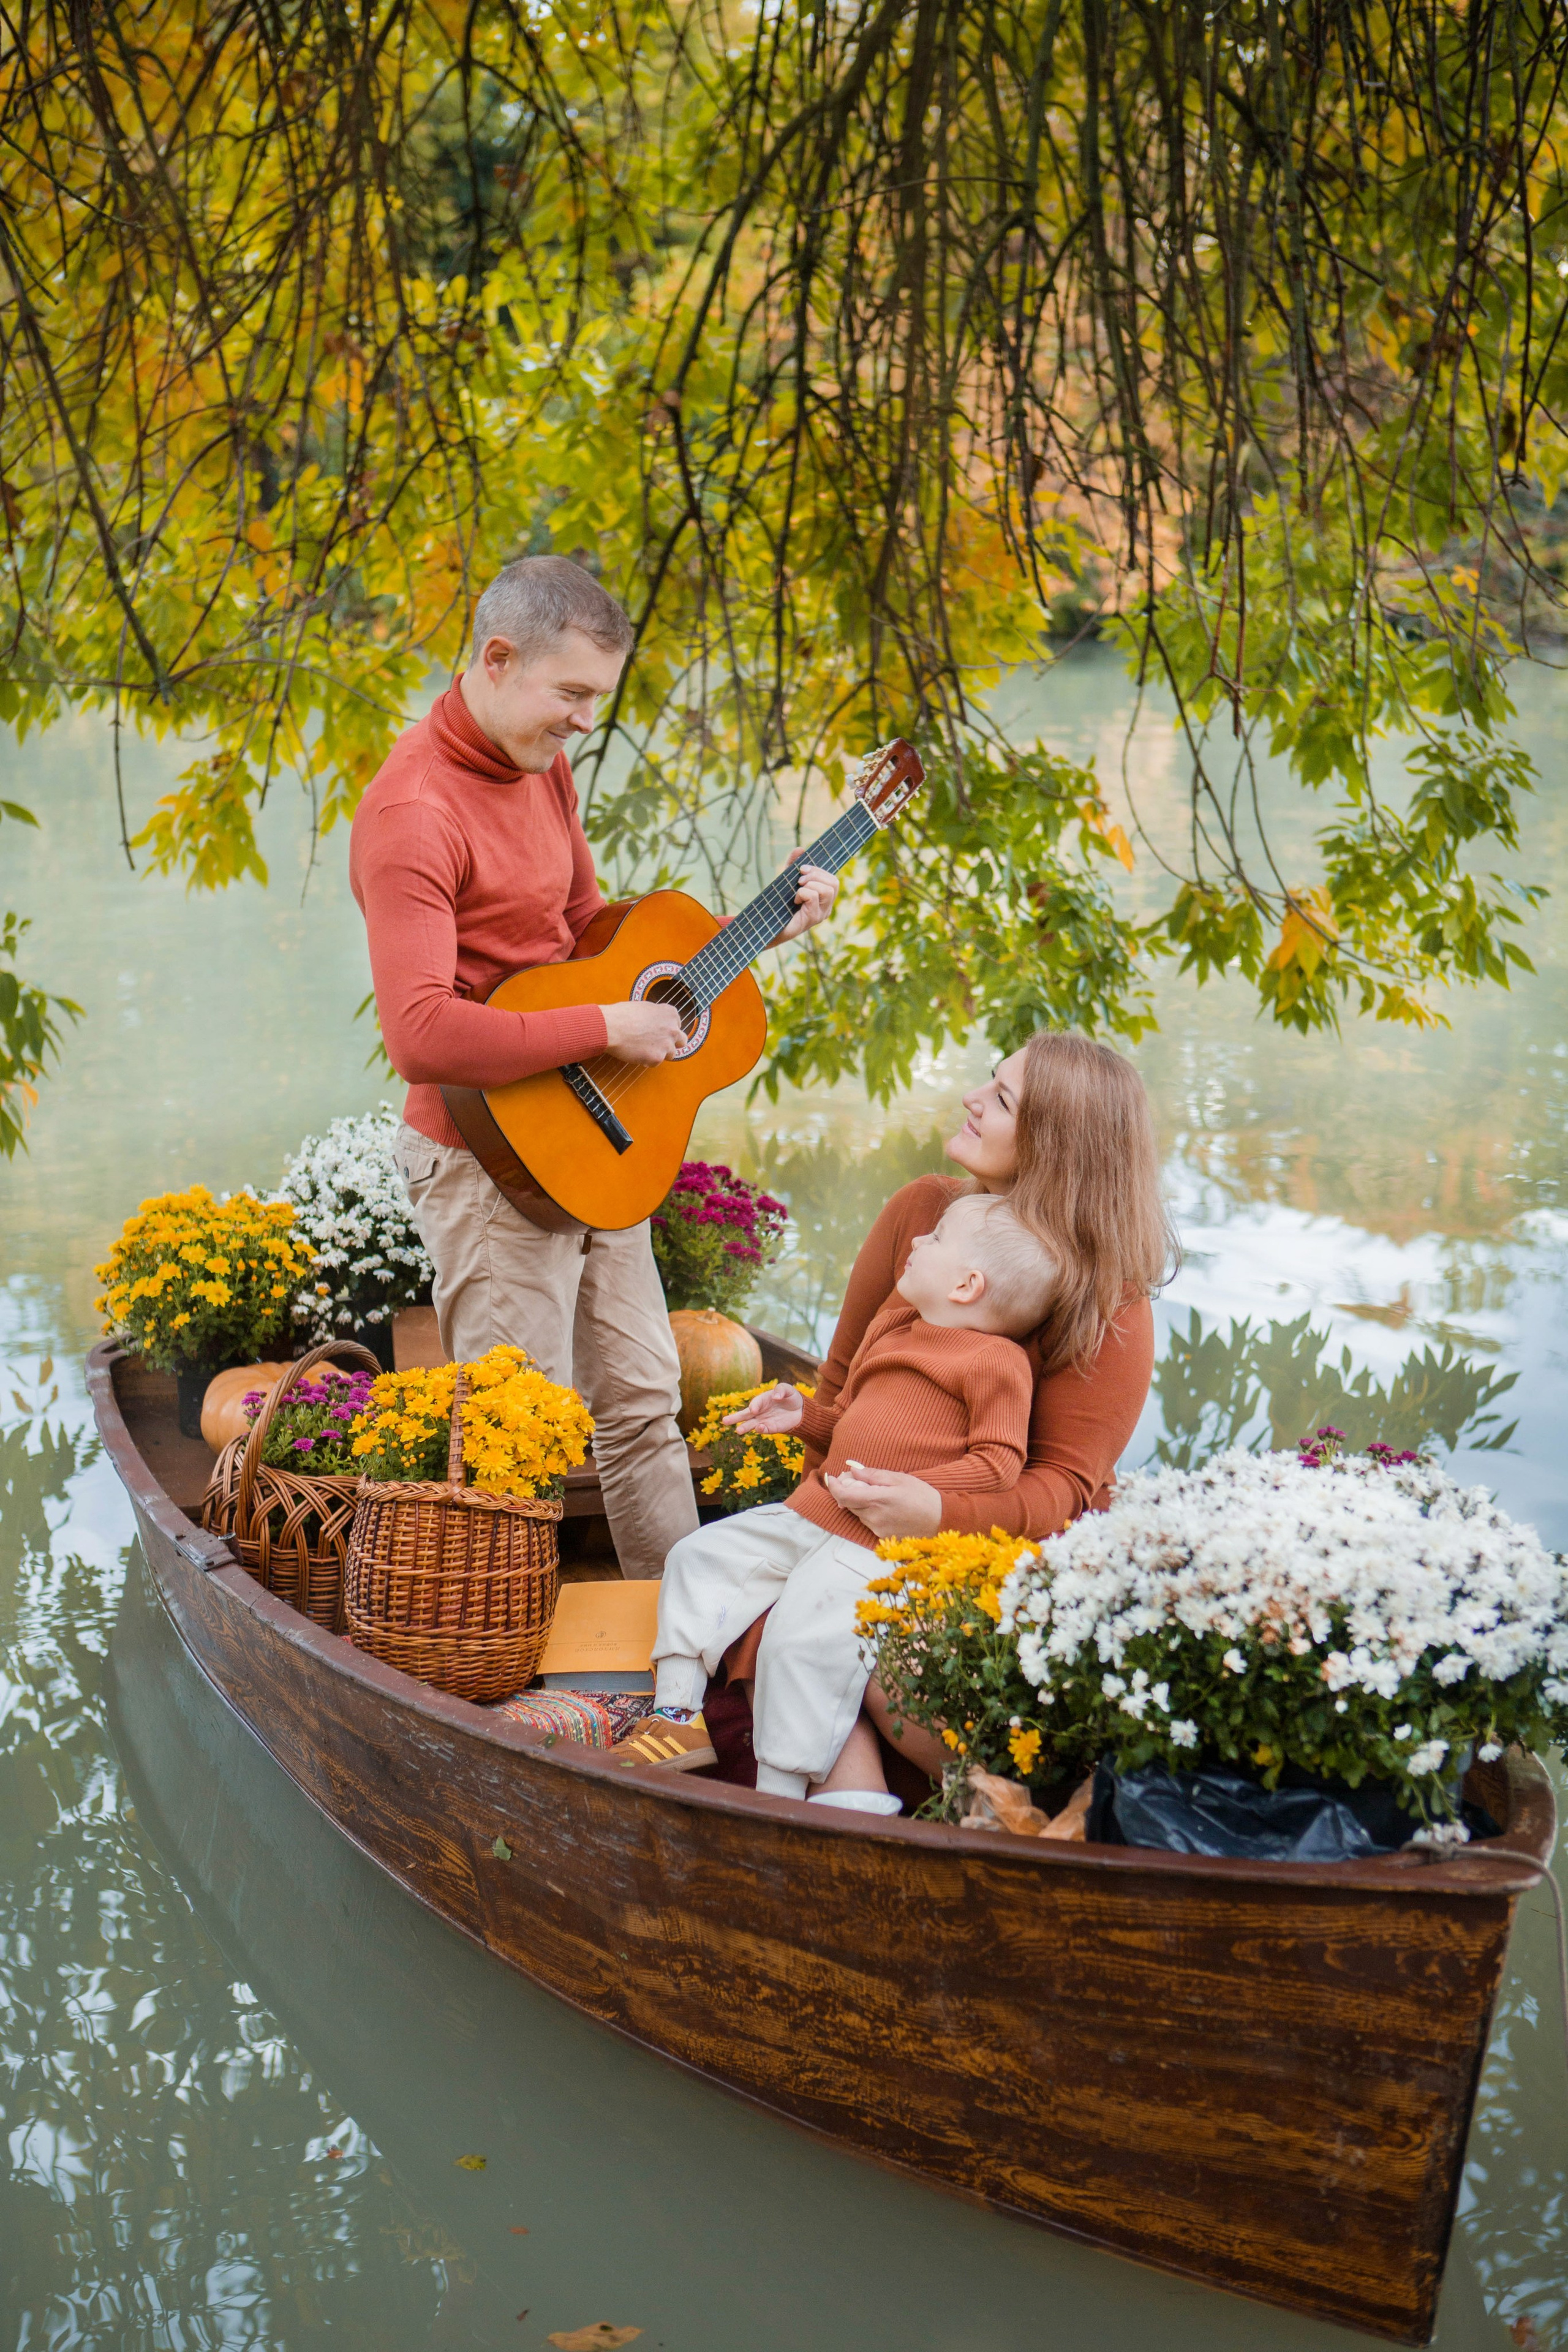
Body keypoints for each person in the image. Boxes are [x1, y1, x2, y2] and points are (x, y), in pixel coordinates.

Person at [349, 556, 837, 1579]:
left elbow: (583, 935)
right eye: (570, 694)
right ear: (495, 658)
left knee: (644, 1403)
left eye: (597, 700)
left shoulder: (541, 765)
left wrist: (747, 938)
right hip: (486, 1162)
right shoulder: (412, 815)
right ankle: (500, 1683)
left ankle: (689, 1642)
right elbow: (423, 1036)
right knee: (515, 1441)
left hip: (594, 1136)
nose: (584, 722)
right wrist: (610, 1027)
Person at [662, 1030, 1175, 1800]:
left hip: (990, 1548)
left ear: (1057, 1147)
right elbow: (844, 1387)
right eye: (989, 1081)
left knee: (844, 1647)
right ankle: (828, 1831)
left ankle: (972, 1812)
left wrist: (934, 1514)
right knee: (784, 1607)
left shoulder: (1109, 1299)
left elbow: (1060, 1491)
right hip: (854, 1513)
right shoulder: (924, 1214)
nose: (972, 1099)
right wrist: (824, 1512)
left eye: (1000, 1100)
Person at [620, 1194, 1057, 1803]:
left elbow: (999, 1464)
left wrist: (921, 1492)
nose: (917, 1242)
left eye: (935, 1240)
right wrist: (804, 1418)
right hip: (811, 1512)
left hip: (871, 1540)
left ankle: (781, 1793)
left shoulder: (997, 1364)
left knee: (801, 1643)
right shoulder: (893, 1328)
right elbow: (851, 1422)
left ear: (966, 1284)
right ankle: (674, 1716)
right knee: (698, 1556)